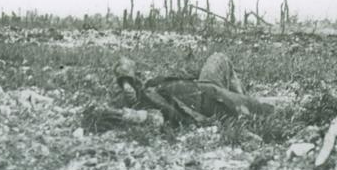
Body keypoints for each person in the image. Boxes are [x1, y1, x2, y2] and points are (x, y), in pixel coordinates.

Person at [113, 52, 272, 125]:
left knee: (219, 57)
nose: (129, 92)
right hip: (209, 103)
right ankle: (244, 103)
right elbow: (155, 119)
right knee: (268, 109)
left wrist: (125, 81)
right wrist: (128, 114)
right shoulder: (149, 107)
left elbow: (125, 61)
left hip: (203, 85)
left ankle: (241, 99)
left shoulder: (143, 85)